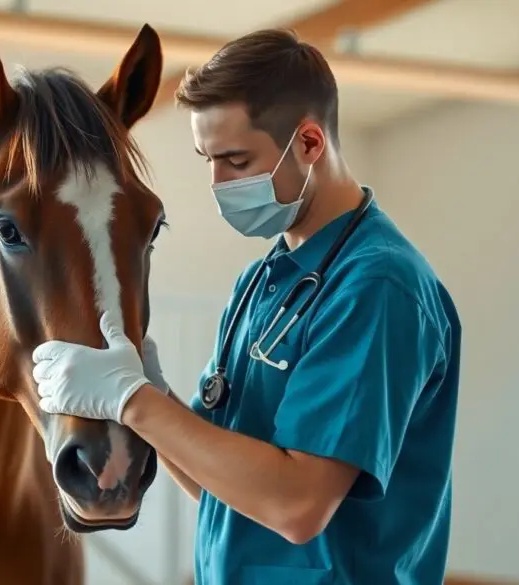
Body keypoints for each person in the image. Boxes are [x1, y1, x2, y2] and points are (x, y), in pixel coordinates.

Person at [31, 27, 462, 585]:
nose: (217, 183)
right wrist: (155, 399)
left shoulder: (377, 286)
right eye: (206, 159)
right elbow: (214, 482)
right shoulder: (260, 283)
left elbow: (298, 506)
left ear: (309, 143)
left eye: (235, 160)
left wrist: (134, 401)